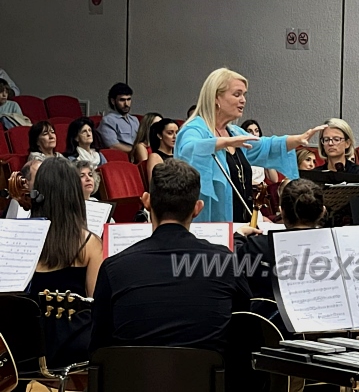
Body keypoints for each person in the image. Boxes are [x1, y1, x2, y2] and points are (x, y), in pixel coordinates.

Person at [89, 160, 252, 360]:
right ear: (197, 208)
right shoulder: (225, 263)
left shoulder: (113, 268)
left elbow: (99, 348)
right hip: (206, 376)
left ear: (146, 201)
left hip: (135, 376)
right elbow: (245, 329)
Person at [175, 68, 325, 223]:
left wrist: (298, 139)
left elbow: (266, 146)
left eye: (244, 95)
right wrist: (225, 142)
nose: (243, 100)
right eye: (237, 94)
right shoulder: (195, 129)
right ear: (216, 98)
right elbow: (189, 150)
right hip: (209, 224)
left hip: (241, 223)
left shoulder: (233, 132)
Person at [28, 157, 103, 368]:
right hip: (75, 346)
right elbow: (96, 303)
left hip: (29, 346)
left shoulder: (23, 240)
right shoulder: (89, 243)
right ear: (74, 195)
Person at [237, 178, 325, 300]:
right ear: (322, 212)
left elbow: (231, 263)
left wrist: (238, 236)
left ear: (281, 212)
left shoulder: (257, 246)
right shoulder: (336, 244)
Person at [98, 83, 140, 154]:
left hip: (138, 155)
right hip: (122, 156)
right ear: (113, 101)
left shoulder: (134, 120)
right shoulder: (108, 121)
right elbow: (113, 145)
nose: (126, 104)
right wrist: (136, 151)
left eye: (128, 99)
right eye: (122, 100)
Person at [241, 119, 280, 184]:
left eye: (256, 131)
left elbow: (274, 179)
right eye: (249, 131)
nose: (254, 134)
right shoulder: (240, 151)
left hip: (260, 188)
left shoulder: (262, 151)